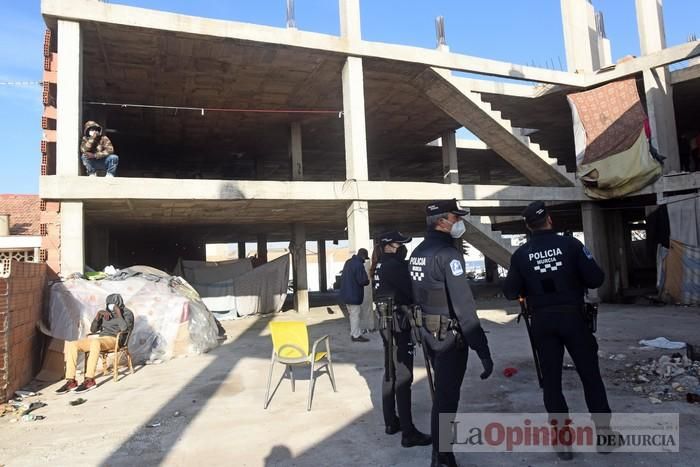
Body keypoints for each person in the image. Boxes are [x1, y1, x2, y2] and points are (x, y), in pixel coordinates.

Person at [503, 201, 612, 460]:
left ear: (528, 226)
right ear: (549, 219)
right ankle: (605, 436)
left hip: (542, 322)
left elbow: (509, 292)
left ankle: (564, 443)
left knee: (551, 382)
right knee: (591, 376)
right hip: (574, 319)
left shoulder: (521, 254)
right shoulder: (571, 245)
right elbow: (596, 279)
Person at [409, 200, 493, 467]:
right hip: (449, 337)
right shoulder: (449, 256)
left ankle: (441, 453)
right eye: (456, 218)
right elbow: (464, 307)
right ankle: (441, 456)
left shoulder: (417, 253)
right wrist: (482, 348)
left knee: (441, 397)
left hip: (429, 334)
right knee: (447, 399)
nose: (460, 223)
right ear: (442, 221)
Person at [373, 231, 431, 448]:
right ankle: (408, 432)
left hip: (385, 323)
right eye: (401, 243)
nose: (404, 247)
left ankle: (391, 422)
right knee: (404, 376)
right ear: (389, 245)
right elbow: (410, 292)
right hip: (398, 324)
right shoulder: (393, 266)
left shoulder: (379, 264)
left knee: (390, 371)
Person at [56, 293, 134, 394]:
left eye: (113, 304)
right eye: (109, 304)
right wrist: (98, 316)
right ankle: (71, 381)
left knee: (95, 342)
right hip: (101, 339)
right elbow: (93, 329)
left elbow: (125, 329)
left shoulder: (127, 313)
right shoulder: (106, 313)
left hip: (115, 339)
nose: (110, 306)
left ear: (118, 303)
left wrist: (118, 312)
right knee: (73, 344)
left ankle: (89, 380)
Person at [340, 248, 371, 342]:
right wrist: (368, 280)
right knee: (355, 316)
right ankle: (356, 336)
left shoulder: (348, 262)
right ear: (363, 256)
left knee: (352, 315)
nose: (364, 261)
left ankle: (354, 332)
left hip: (346, 294)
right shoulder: (359, 265)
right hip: (354, 295)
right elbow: (362, 280)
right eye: (365, 259)